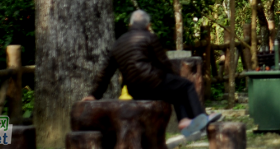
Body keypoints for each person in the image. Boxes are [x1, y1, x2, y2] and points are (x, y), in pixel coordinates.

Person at [82, 10, 221, 137]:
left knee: (176, 90)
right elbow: (164, 63)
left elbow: (105, 73)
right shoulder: (149, 37)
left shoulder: (117, 44)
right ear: (148, 25)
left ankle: (184, 121)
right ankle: (201, 116)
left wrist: (94, 95)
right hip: (153, 82)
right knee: (186, 86)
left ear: (130, 24)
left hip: (136, 91)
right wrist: (176, 76)